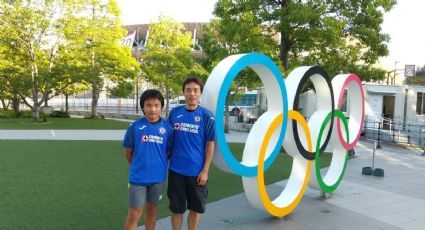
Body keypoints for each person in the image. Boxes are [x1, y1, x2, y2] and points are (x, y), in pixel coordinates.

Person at [167, 76, 215, 230]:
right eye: (188, 90)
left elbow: (210, 144)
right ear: (184, 93)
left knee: (195, 209)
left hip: (197, 173)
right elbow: (168, 142)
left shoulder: (206, 116)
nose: (192, 94)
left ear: (200, 94)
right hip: (176, 171)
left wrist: (205, 170)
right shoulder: (174, 113)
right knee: (176, 209)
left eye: (195, 90)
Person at [123, 89, 172, 230]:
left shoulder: (167, 128)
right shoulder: (134, 127)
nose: (152, 109)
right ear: (143, 107)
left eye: (156, 105)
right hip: (138, 178)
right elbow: (129, 151)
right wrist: (137, 166)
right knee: (134, 212)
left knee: (152, 210)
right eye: (148, 105)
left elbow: (168, 151)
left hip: (158, 178)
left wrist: (158, 163)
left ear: (161, 107)